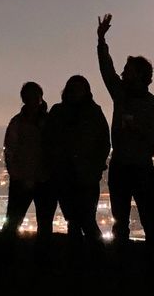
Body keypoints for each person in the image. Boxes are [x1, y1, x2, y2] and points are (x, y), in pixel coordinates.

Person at [95, 14, 154, 271]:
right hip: (121, 165)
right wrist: (101, 40)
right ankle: (122, 262)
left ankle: (153, 263)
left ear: (139, 76)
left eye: (127, 71)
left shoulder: (153, 106)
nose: (122, 73)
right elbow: (107, 70)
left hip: (140, 166)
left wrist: (140, 129)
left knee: (149, 217)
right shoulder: (121, 95)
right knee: (121, 220)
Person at [44, 75, 110, 268]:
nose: (76, 93)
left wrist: (96, 166)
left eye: (80, 89)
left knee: (85, 219)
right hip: (66, 175)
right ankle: (85, 259)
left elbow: (104, 143)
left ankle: (91, 259)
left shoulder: (92, 113)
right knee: (75, 219)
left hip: (85, 175)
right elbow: (48, 140)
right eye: (73, 89)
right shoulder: (59, 112)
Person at [0, 82, 55, 270]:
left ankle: (8, 262)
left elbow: (10, 151)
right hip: (33, 180)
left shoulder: (20, 122)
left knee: (20, 223)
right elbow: (11, 151)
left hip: (36, 180)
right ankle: (38, 264)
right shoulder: (43, 122)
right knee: (38, 224)